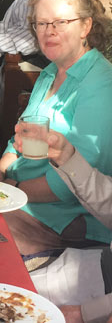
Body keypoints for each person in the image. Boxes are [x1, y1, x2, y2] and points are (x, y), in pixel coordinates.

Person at [0, 0, 112, 259]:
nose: (49, 32)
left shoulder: (101, 86)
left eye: (60, 22)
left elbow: (72, 183)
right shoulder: (49, 73)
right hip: (18, 196)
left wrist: (12, 191)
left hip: (58, 220)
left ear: (86, 26)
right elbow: (20, 138)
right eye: (42, 24)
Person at [15, 131, 112, 323]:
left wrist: (86, 312)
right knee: (2, 293)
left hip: (101, 296)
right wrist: (66, 157)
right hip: (100, 266)